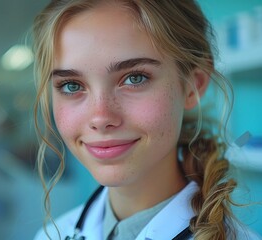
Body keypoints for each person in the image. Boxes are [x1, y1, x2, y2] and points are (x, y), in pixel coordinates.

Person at [31, 0, 262, 239]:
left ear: (193, 85)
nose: (100, 118)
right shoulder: (51, 234)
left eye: (134, 78)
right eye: (72, 85)